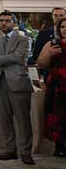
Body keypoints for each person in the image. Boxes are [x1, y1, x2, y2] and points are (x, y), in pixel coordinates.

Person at [0, 11, 34, 165]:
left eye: (7, 20)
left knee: (23, 121)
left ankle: (26, 152)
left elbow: (19, 57)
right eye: (1, 20)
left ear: (14, 23)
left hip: (19, 83)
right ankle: (10, 150)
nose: (4, 23)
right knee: (5, 120)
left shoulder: (24, 39)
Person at [36, 17, 66, 158]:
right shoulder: (52, 43)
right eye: (62, 27)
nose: (64, 29)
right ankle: (59, 147)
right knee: (58, 115)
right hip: (57, 85)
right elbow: (41, 64)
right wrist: (48, 54)